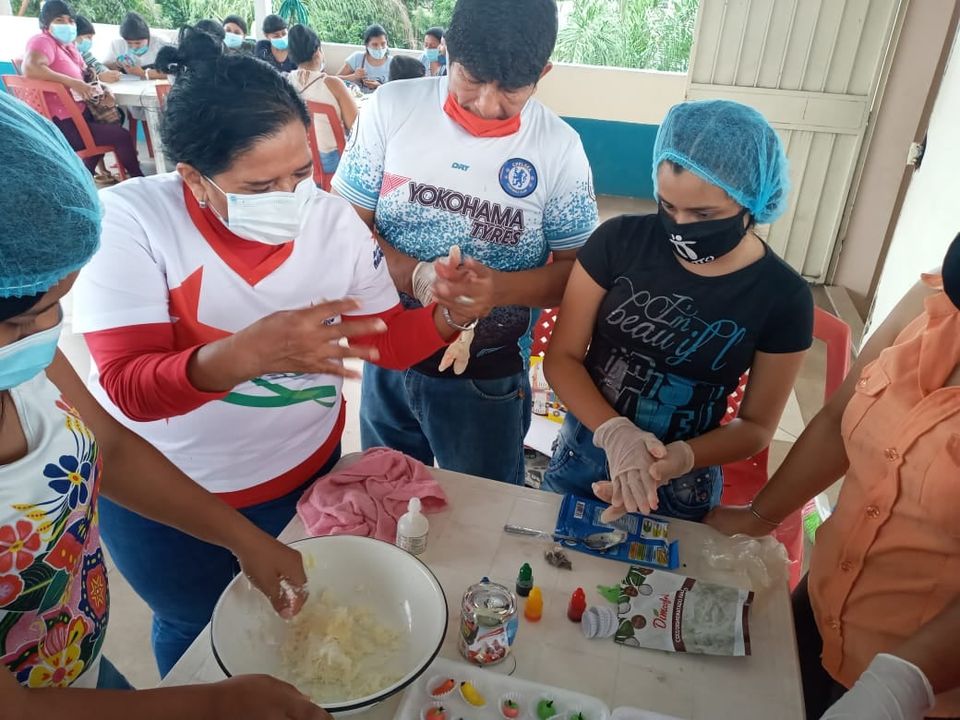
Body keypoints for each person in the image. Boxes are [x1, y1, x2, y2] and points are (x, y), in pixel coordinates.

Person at [70, 30, 473, 677]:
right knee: (195, 630)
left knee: (300, 623)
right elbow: (129, 389)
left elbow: (384, 340)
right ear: (194, 179)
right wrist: (245, 355)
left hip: (299, 477)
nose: (292, 199)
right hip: (167, 497)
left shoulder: (334, 224)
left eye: (301, 173)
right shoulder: (130, 222)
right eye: (260, 187)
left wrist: (448, 316)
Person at [0, 85, 329, 720]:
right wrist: (212, 705)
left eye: (55, 309)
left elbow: (111, 447)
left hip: (79, 666)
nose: (50, 331)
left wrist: (244, 540)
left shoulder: (27, 360)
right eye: (24, 321)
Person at [331, 0, 599, 485]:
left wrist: (498, 290)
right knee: (386, 493)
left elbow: (580, 274)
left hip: (485, 376)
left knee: (484, 509)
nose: (487, 105)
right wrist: (414, 274)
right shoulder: (392, 109)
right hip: (387, 353)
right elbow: (343, 224)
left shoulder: (560, 150)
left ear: (542, 73)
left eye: (512, 90)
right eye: (471, 80)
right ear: (448, 53)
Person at [706, 235, 960, 719]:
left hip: (924, 687)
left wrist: (899, 686)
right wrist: (756, 518)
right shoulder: (931, 299)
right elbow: (837, 421)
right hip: (817, 614)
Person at [541, 99, 813, 523]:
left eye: (703, 214)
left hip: (683, 483)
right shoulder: (619, 242)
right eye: (668, 206)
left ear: (752, 202)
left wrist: (679, 458)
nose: (681, 225)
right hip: (586, 453)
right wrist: (615, 433)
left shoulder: (783, 296)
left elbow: (757, 426)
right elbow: (562, 357)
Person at [22, 1, 143, 178]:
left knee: (113, 123)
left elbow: (87, 75)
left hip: (81, 115)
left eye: (70, 20)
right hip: (63, 124)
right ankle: (139, 179)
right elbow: (30, 68)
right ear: (46, 23)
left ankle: (85, 177)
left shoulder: (69, 47)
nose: (67, 24)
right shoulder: (42, 41)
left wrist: (102, 91)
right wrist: (72, 82)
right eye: (59, 20)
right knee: (121, 136)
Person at [286, 24, 357, 176]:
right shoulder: (333, 84)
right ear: (318, 51)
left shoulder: (286, 82)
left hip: (300, 158)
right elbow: (356, 128)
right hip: (332, 162)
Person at [104, 11, 168, 81]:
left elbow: (173, 72)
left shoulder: (160, 43)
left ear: (148, 37)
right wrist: (118, 64)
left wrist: (143, 73)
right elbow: (105, 67)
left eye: (138, 43)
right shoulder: (117, 44)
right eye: (129, 43)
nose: (134, 47)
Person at [338, 24, 391, 93]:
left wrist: (379, 86)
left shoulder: (393, 63)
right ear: (366, 45)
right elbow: (335, 79)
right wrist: (354, 76)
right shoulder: (357, 58)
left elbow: (396, 90)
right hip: (357, 99)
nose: (379, 48)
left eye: (383, 44)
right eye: (375, 45)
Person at [74, 14, 120, 83]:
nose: (90, 41)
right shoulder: (67, 55)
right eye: (88, 37)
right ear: (74, 35)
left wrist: (107, 72)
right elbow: (76, 77)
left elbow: (96, 65)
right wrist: (98, 78)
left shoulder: (84, 53)